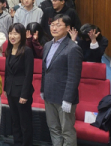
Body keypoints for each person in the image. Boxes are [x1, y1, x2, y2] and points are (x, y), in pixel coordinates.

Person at [41, 14, 82, 146]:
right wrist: (42, 89)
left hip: (64, 97)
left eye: (58, 25)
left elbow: (73, 76)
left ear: (68, 28)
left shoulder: (73, 48)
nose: (54, 28)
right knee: (54, 128)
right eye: (52, 24)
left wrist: (68, 99)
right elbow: (45, 71)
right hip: (49, 95)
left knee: (67, 131)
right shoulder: (47, 45)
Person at [4, 23, 34, 146]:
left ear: (21, 35)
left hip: (22, 92)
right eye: (11, 33)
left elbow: (28, 75)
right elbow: (7, 72)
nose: (12, 36)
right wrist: (6, 88)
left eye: (16, 33)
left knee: (24, 123)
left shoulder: (27, 51)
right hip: (11, 91)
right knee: (15, 121)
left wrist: (24, 94)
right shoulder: (9, 50)